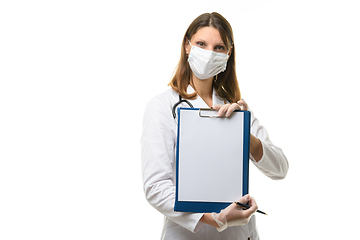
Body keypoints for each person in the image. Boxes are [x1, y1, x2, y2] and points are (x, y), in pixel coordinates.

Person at [141, 12, 289, 240]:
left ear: (228, 54)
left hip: (240, 233)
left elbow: (280, 169)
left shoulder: (236, 108)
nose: (209, 53)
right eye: (201, 44)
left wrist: (244, 134)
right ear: (187, 46)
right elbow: (156, 187)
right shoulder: (162, 106)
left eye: (219, 47)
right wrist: (215, 219)